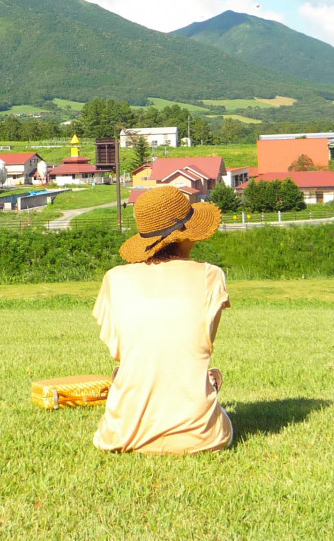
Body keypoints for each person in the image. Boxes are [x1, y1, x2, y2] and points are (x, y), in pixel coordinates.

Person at [92, 185, 232, 454]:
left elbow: (120, 353)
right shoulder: (211, 276)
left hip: (121, 435)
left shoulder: (114, 279)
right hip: (201, 439)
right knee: (206, 376)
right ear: (186, 236)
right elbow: (200, 345)